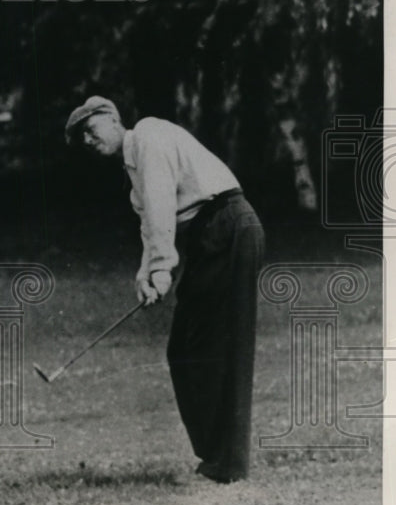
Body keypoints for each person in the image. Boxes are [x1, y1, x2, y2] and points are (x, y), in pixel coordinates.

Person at [65, 96, 265, 483]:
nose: (89, 141)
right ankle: (217, 456)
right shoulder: (134, 175)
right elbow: (150, 224)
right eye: (82, 139)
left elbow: (160, 211)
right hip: (213, 237)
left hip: (230, 226)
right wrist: (147, 276)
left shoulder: (149, 137)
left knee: (222, 348)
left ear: (112, 119)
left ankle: (228, 464)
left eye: (90, 130)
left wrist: (161, 269)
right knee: (186, 349)